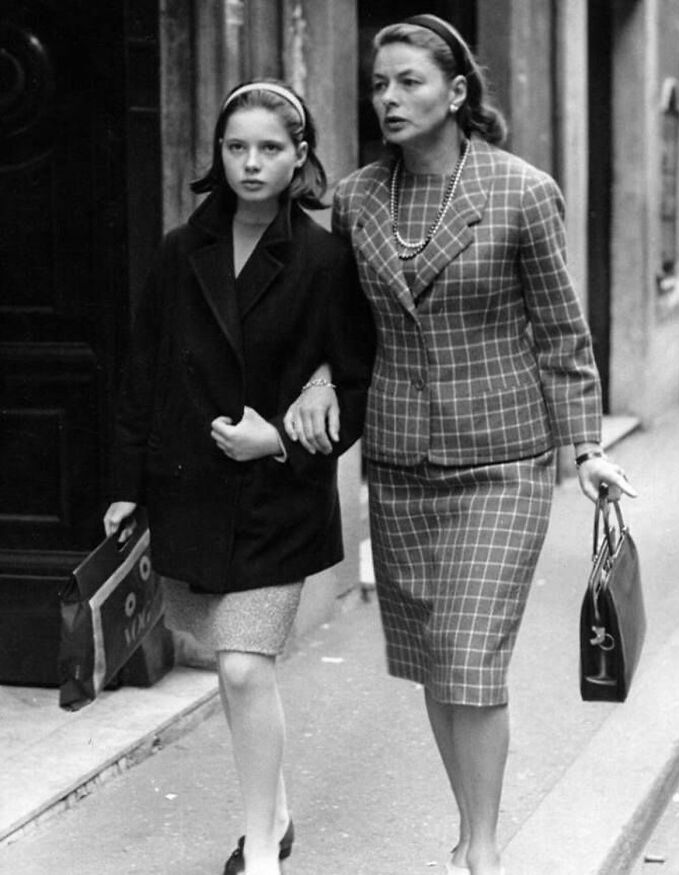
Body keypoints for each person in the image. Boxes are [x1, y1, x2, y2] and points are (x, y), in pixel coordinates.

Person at [283, 15, 637, 875]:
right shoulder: (358, 198)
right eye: (378, 83)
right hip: (401, 463)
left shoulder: (521, 191)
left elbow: (562, 331)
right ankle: (466, 823)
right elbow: (337, 322)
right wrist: (322, 375)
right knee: (440, 666)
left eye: (408, 81)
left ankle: (481, 851)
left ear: (457, 93)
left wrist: (583, 446)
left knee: (470, 656)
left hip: (503, 462)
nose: (389, 98)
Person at [103, 80, 375, 875]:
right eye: (236, 147)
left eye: (270, 148)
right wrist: (125, 484)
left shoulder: (325, 258)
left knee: (243, 664)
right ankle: (276, 808)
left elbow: (357, 384)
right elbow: (141, 370)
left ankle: (261, 846)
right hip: (185, 489)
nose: (251, 163)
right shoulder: (178, 247)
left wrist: (282, 441)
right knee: (228, 664)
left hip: (276, 500)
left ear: (300, 158)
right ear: (217, 154)